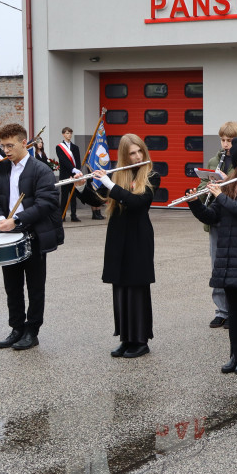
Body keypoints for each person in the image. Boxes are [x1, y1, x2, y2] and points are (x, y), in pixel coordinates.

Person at [188, 138, 237, 375]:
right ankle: (235, 355)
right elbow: (213, 217)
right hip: (229, 256)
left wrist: (221, 196)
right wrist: (194, 203)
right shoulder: (229, 186)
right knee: (233, 311)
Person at [0, 123, 63, 351]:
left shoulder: (41, 170)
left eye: (10, 146)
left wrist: (17, 220)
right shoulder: (1, 169)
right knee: (12, 285)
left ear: (23, 143)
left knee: (35, 286)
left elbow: (47, 202)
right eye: (3, 146)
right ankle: (16, 328)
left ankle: (32, 331)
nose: (6, 151)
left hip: (34, 235)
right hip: (8, 234)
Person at [93, 134, 159, 359]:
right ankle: (125, 338)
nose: (138, 156)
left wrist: (110, 184)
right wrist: (83, 185)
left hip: (138, 237)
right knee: (120, 287)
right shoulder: (116, 174)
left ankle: (140, 340)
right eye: (132, 153)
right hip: (118, 237)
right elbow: (96, 200)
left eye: (140, 151)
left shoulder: (151, 175)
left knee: (136, 288)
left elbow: (137, 204)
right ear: (124, 155)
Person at [202, 121, 237, 326]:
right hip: (215, 217)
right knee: (217, 264)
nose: (226, 144)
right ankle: (221, 310)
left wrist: (227, 182)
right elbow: (201, 184)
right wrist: (207, 187)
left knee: (232, 265)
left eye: (230, 141)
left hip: (233, 219)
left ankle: (234, 310)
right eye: (223, 140)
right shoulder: (213, 161)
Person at [56, 127, 83, 222]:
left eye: (70, 133)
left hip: (74, 175)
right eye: (67, 133)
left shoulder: (75, 147)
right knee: (64, 196)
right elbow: (63, 160)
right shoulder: (59, 147)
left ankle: (73, 215)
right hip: (65, 174)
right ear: (63, 134)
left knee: (73, 196)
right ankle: (62, 215)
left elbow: (78, 160)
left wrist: (77, 170)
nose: (69, 135)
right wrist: (72, 169)